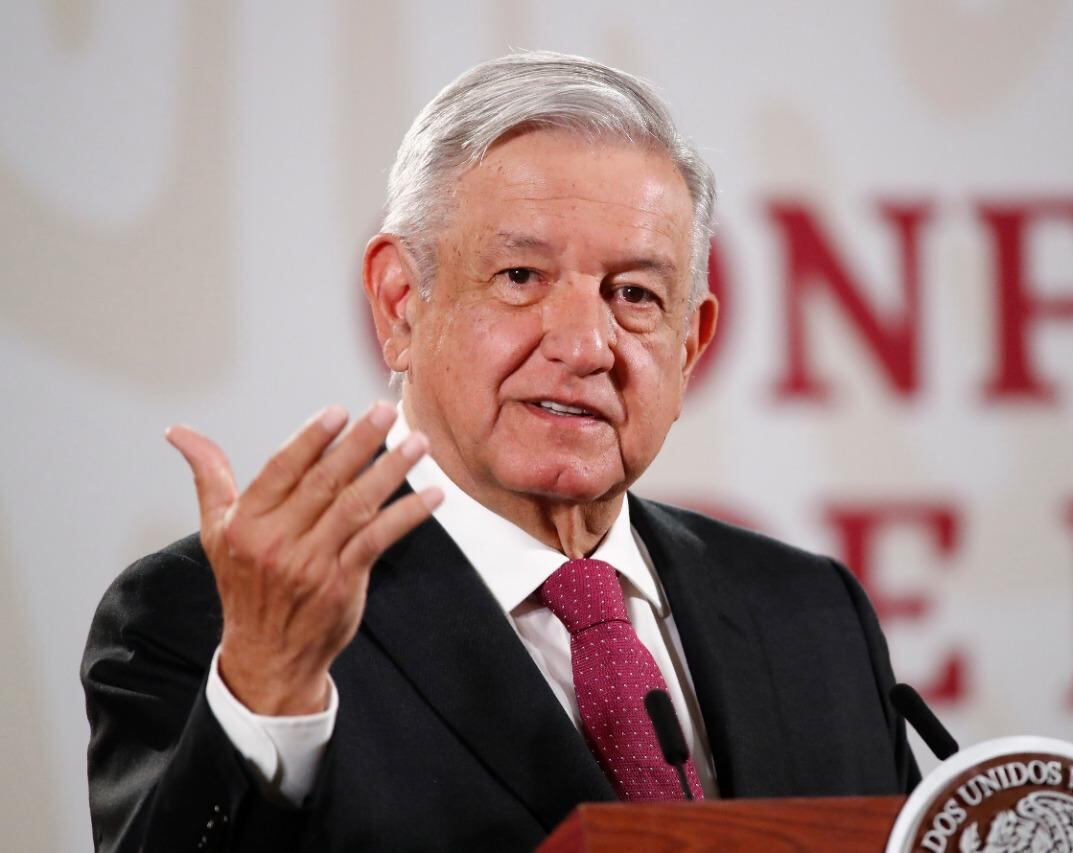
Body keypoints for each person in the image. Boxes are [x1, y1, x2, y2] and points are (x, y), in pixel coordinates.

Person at [82, 52, 918, 852]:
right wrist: (267, 689)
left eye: (634, 294)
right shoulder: (219, 619)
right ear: (400, 303)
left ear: (691, 344)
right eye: (521, 277)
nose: (585, 345)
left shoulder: (812, 616)